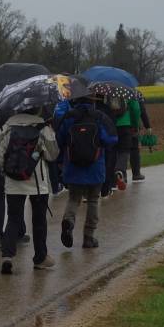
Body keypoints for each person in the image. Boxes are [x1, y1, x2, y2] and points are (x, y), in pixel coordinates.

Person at [0, 102, 59, 274]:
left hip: (13, 182)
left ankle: (7, 256)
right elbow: (53, 155)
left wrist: (7, 173)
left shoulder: (7, 127)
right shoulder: (43, 127)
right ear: (37, 108)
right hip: (37, 184)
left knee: (13, 219)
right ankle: (40, 258)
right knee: (39, 221)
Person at [54, 97, 118, 251]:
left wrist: (61, 162)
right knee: (93, 200)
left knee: (74, 199)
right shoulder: (100, 117)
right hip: (95, 166)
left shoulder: (68, 117)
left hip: (73, 167)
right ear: (92, 100)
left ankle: (69, 221)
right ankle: (88, 237)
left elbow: (58, 141)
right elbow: (112, 139)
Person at [129, 96, 154, 182]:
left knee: (118, 151)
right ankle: (136, 174)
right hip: (132, 126)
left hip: (114, 126)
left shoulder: (110, 92)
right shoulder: (134, 94)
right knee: (134, 149)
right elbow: (141, 110)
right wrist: (147, 126)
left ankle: (118, 176)